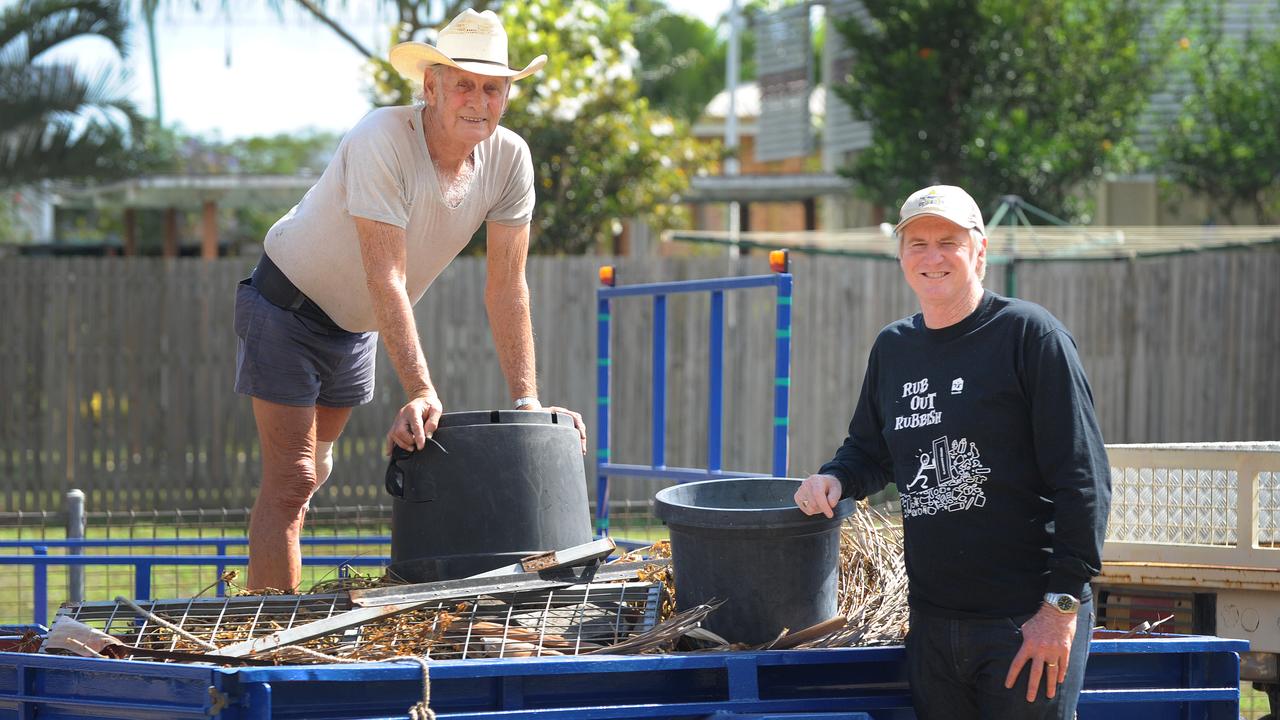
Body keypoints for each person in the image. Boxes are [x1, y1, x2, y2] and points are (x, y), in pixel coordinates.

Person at [233, 8, 585, 592]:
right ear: (431, 87)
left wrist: (527, 401)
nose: (478, 100)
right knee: (292, 481)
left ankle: (271, 601)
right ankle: (270, 637)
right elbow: (386, 277)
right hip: (285, 308)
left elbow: (506, 285)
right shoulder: (382, 139)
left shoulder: (510, 159)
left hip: (353, 332)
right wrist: (421, 391)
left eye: (492, 88)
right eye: (463, 85)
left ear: (506, 96)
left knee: (317, 471)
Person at [793, 185, 1110, 718]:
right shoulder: (894, 348)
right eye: (917, 243)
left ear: (979, 251)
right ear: (901, 255)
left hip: (1026, 621)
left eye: (948, 241)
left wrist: (1060, 609)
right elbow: (869, 451)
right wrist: (835, 479)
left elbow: (1084, 479)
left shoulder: (1030, 336)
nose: (931, 256)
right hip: (935, 625)